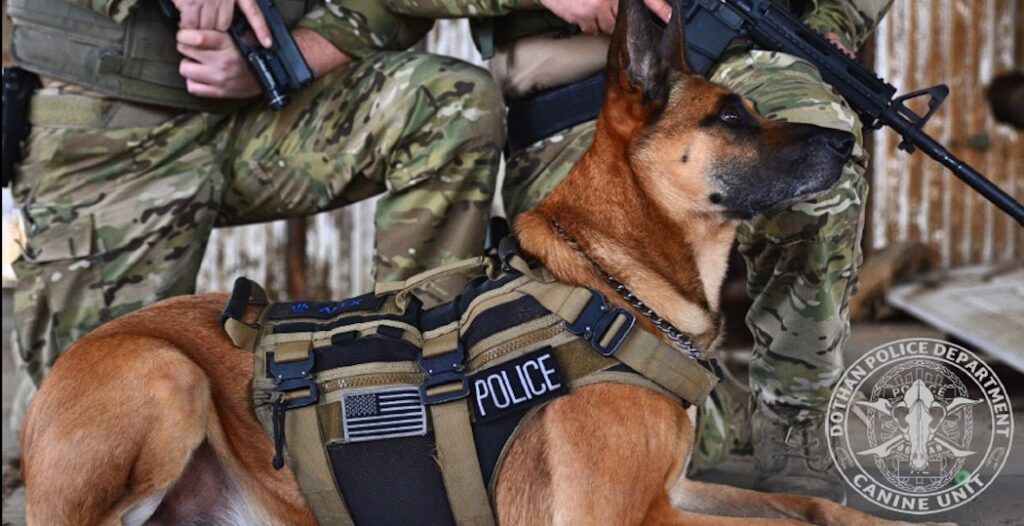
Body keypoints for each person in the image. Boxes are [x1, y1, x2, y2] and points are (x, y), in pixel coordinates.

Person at [319, 0, 892, 502]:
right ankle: (706, 404)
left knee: (820, 152)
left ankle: (792, 418)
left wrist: (827, 25)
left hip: (755, 52)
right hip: (574, 79)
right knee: (570, 289)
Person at [4, 0, 504, 443]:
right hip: (112, 126)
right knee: (95, 424)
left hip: (266, 105)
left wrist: (296, 54)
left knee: (450, 105)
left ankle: (410, 389)